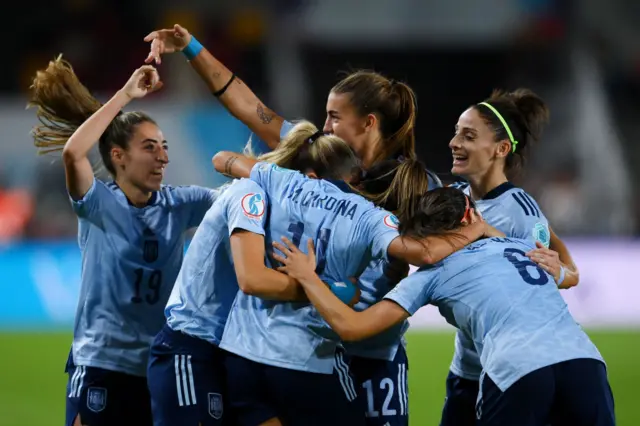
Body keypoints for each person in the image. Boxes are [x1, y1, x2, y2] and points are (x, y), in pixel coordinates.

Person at [210, 122, 495, 426]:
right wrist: (477, 227)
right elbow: (424, 253)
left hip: (244, 354)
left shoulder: (282, 181)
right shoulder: (369, 217)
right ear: (357, 174)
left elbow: (222, 159)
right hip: (311, 358)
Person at [273, 187, 614, 426]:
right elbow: (567, 275)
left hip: (518, 368)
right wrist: (564, 270)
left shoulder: (431, 275)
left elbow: (352, 327)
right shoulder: (517, 247)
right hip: (585, 363)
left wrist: (308, 277)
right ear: (471, 216)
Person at [28, 58, 218, 426]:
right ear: (119, 156)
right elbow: (73, 153)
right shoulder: (100, 204)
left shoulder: (181, 204)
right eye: (150, 147)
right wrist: (126, 94)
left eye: (163, 146)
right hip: (101, 363)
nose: (163, 156)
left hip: (156, 366)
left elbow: (237, 203)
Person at [444, 88, 581, 426]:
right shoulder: (453, 198)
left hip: (509, 370)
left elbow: (548, 267)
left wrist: (566, 273)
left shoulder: (520, 211)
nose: (454, 142)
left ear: (501, 149)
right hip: (468, 366)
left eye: (468, 135)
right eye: (456, 132)